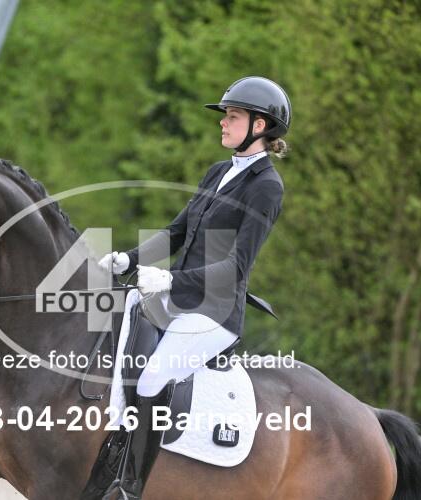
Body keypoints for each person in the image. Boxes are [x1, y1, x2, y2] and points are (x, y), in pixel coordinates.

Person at [81, 76, 291, 500]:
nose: (223, 123)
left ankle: (129, 487)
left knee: (152, 378)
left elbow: (236, 266)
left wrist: (170, 279)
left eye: (232, 116)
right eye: (225, 116)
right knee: (116, 344)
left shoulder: (266, 187)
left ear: (259, 126)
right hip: (179, 299)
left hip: (215, 313)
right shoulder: (218, 172)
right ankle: (110, 453)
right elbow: (176, 232)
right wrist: (130, 259)